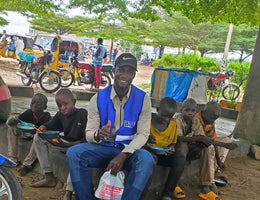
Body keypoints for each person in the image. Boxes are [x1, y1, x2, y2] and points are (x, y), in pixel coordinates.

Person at [66, 53, 155, 200]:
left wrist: (124, 154)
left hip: (129, 152)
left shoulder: (143, 99)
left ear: (133, 75)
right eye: (121, 70)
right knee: (74, 153)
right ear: (114, 71)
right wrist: (97, 134)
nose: (125, 75)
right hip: (104, 148)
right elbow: (89, 133)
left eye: (130, 72)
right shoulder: (98, 98)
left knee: (146, 160)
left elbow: (143, 134)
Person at [28, 89, 87, 200]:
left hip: (77, 146)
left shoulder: (82, 114)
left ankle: (68, 191)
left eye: (65, 104)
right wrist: (43, 128)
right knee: (38, 137)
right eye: (59, 105)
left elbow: (86, 140)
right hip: (64, 143)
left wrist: (67, 146)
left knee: (76, 154)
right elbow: (50, 125)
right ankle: (49, 176)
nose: (62, 108)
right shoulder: (61, 115)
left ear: (73, 102)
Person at [173, 98, 219, 200]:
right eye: (187, 110)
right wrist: (198, 138)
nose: (190, 113)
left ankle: (205, 187)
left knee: (206, 148)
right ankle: (174, 184)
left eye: (193, 110)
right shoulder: (177, 119)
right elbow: (178, 138)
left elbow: (201, 137)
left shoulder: (196, 121)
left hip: (191, 149)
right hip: (177, 149)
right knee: (183, 146)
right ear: (181, 110)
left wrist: (202, 142)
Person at [146, 97, 186, 199]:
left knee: (180, 159)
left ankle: (167, 193)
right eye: (164, 116)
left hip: (163, 154)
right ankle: (143, 195)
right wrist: (146, 139)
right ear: (158, 110)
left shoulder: (172, 124)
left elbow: (173, 142)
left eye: (170, 116)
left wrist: (171, 148)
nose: (166, 119)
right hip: (148, 151)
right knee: (151, 159)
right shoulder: (148, 121)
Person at [195, 101, 238, 181]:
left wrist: (218, 161)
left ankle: (217, 169)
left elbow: (213, 140)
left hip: (207, 145)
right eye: (212, 118)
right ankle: (210, 179)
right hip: (197, 147)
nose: (213, 121)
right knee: (210, 147)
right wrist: (225, 145)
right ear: (205, 112)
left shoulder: (210, 122)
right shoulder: (196, 119)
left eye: (215, 119)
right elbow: (206, 140)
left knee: (226, 140)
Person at [6, 93, 51, 163]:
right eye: (32, 103)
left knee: (39, 136)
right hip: (25, 134)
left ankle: (27, 163)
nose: (34, 105)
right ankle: (12, 157)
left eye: (39, 104)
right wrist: (14, 120)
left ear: (45, 107)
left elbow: (49, 130)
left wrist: (39, 129)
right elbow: (13, 122)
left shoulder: (47, 117)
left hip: (38, 138)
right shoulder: (28, 113)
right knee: (12, 127)